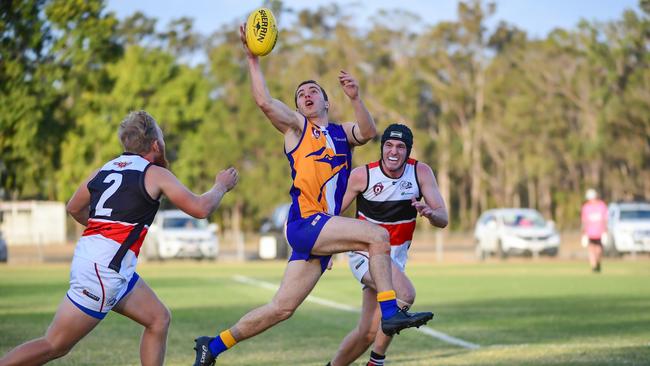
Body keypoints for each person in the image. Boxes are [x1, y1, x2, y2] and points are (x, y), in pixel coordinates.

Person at [191, 25, 433, 366]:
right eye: (301, 93)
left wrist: (355, 98)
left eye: (312, 91)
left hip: (323, 229)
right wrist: (252, 60)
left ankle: (212, 345)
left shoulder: (340, 133)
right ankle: (391, 311)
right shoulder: (297, 128)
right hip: (307, 223)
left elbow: (367, 131)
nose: (306, 95)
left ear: (325, 100)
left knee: (282, 308)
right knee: (377, 236)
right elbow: (263, 101)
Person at [0, 111, 238, 366]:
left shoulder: (104, 169)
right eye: (163, 137)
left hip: (104, 265)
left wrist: (104, 232)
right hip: (104, 272)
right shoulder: (154, 173)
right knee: (54, 345)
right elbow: (201, 208)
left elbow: (74, 207)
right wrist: (220, 186)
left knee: (158, 318)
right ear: (156, 144)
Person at [327, 124, 448, 366]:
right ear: (382, 148)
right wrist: (326, 250)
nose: (394, 151)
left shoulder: (420, 172)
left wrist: (429, 213)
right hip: (365, 253)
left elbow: (443, 218)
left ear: (408, 151)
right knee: (405, 294)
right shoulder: (364, 175)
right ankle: (376, 362)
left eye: (401, 147)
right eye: (389, 145)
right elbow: (331, 214)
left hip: (396, 259)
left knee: (368, 333)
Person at [581, 188, 608, 273]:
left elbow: (605, 218)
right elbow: (584, 220)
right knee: (591, 249)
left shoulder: (602, 205)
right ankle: (593, 266)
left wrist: (605, 230)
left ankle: (598, 262)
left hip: (600, 232)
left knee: (599, 250)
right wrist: (583, 232)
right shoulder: (586, 207)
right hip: (589, 233)